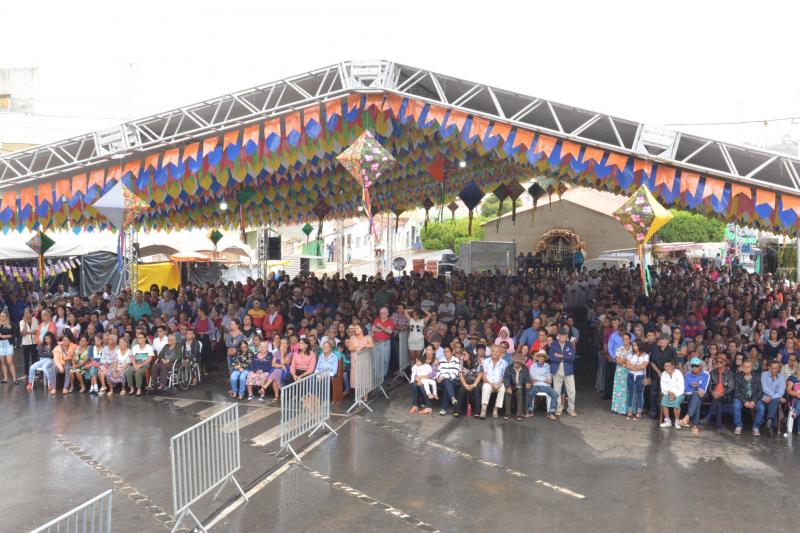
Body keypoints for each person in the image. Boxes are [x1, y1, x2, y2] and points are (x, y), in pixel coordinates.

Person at [549, 327, 577, 416]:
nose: (563, 336)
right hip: (557, 370)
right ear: (558, 335)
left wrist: (560, 356)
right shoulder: (553, 344)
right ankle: (558, 409)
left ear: (567, 335)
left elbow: (572, 357)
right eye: (562, 334)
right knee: (556, 391)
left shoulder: (570, 344)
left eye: (565, 334)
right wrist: (564, 357)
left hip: (568, 370)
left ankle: (571, 409)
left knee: (572, 391)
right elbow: (551, 357)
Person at [703, 355, 735, 432]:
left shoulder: (730, 373)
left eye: (721, 362)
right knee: (718, 403)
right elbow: (709, 386)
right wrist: (712, 392)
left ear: (725, 363)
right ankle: (718, 427)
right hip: (714, 396)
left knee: (718, 401)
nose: (718, 363)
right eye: (717, 361)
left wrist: (721, 393)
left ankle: (708, 418)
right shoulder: (713, 373)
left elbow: (731, 387)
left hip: (725, 396)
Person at [648, 334, 676, 418]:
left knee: (666, 393)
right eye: (660, 339)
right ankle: (653, 412)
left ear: (667, 341)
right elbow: (651, 362)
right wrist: (658, 372)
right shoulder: (655, 349)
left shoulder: (672, 350)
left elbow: (675, 362)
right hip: (655, 375)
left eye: (663, 339)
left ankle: (665, 414)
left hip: (667, 376)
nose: (661, 341)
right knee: (654, 394)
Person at [679, 357, 709, 433]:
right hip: (690, 395)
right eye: (692, 366)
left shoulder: (706, 375)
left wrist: (697, 387)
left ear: (700, 366)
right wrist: (696, 389)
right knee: (696, 398)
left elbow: (703, 390)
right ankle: (695, 425)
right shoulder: (687, 374)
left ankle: (687, 417)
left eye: (696, 366)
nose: (694, 368)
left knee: (697, 396)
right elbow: (686, 389)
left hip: (703, 395)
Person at [733, 359, 763, 436]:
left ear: (752, 367)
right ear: (742, 367)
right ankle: (738, 425)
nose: (746, 368)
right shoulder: (738, 376)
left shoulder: (757, 376)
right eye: (744, 366)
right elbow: (736, 391)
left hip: (754, 398)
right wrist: (744, 401)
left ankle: (756, 427)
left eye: (748, 367)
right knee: (736, 405)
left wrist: (753, 401)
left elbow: (760, 392)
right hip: (741, 398)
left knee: (761, 408)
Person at [527, 350, 558, 420]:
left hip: (545, 386)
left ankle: (551, 413)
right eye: (539, 356)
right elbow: (532, 376)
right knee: (529, 394)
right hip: (536, 386)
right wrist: (544, 379)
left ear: (544, 358)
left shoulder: (548, 366)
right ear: (537, 357)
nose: (540, 358)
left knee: (555, 394)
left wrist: (538, 379)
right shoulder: (533, 366)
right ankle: (530, 411)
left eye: (542, 357)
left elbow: (549, 379)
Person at [759, 360, 787, 436]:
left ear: (778, 369)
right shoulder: (763, 375)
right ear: (769, 368)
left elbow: (781, 392)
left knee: (775, 401)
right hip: (763, 397)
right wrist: (773, 396)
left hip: (773, 399)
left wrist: (771, 397)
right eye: (772, 368)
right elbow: (764, 388)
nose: (773, 370)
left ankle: (769, 421)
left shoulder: (781, 378)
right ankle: (770, 421)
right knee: (775, 400)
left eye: (776, 368)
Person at [480, 345, 508, 419]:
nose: (495, 353)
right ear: (491, 352)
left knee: (503, 388)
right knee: (486, 387)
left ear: (500, 353)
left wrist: (499, 384)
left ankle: (496, 409)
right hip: (488, 382)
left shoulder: (504, 363)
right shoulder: (485, 361)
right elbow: (484, 377)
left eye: (497, 352)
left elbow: (504, 376)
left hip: (499, 383)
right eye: (493, 351)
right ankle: (483, 410)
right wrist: (492, 384)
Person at [625, 339, 649, 420]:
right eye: (633, 345)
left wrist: (634, 367)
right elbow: (627, 365)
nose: (634, 347)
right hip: (631, 375)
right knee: (630, 393)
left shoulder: (645, 355)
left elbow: (644, 366)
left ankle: (639, 412)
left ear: (639, 346)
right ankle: (630, 411)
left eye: (635, 345)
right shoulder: (630, 355)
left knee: (639, 394)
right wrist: (636, 367)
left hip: (640, 376)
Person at [503, 352, 531, 421]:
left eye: (518, 363)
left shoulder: (525, 369)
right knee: (508, 392)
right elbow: (506, 378)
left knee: (520, 392)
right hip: (512, 385)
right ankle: (507, 413)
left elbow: (527, 378)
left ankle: (519, 414)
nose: (516, 364)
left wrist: (528, 383)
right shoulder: (509, 368)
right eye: (515, 362)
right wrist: (508, 386)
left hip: (521, 386)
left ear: (521, 363)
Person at [456, 348, 482, 418]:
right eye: (462, 354)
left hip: (475, 380)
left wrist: (474, 385)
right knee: (462, 389)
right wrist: (465, 385)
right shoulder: (461, 360)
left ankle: (477, 412)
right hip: (465, 380)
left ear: (469, 354)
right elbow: (460, 374)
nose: (463, 356)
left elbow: (480, 374)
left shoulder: (477, 361)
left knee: (476, 390)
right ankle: (457, 411)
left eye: (464, 354)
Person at [126, 331, 154, 396]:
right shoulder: (135, 347)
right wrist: (135, 365)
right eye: (138, 338)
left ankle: (139, 389)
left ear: (145, 339)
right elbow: (132, 358)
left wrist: (140, 365)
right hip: (136, 363)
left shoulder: (149, 347)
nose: (139, 339)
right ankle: (132, 388)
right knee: (128, 372)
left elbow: (149, 359)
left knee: (138, 373)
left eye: (141, 338)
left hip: (145, 364)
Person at [611, 332, 632, 415]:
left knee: (629, 390)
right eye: (623, 339)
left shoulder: (633, 349)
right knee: (619, 390)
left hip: (630, 371)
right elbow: (618, 361)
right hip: (620, 373)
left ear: (630, 340)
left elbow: (633, 360)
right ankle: (619, 409)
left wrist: (624, 360)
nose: (624, 340)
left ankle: (628, 409)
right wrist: (626, 360)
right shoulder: (619, 349)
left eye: (626, 339)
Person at [436, 346, 461, 415]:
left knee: (447, 383)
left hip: (452, 381)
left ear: (451, 352)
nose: (445, 353)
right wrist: (440, 377)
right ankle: (453, 398)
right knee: (446, 382)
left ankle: (444, 408)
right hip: (442, 381)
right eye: (444, 352)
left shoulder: (456, 360)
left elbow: (454, 374)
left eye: (447, 351)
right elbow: (438, 372)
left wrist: (444, 376)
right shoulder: (441, 360)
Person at [659, 360, 684, 429]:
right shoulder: (664, 374)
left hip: (679, 393)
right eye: (665, 366)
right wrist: (669, 392)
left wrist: (675, 394)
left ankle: (677, 421)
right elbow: (663, 386)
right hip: (668, 392)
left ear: (673, 366)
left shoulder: (678, 373)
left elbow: (681, 387)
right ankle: (667, 421)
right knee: (664, 402)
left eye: (668, 366)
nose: (666, 368)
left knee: (676, 404)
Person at [372, 307, 394, 380]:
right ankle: (377, 376)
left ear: (387, 314)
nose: (381, 314)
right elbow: (373, 329)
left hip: (385, 343)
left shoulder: (390, 321)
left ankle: (383, 376)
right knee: (376, 360)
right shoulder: (376, 319)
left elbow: (390, 332)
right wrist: (384, 329)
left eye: (383, 313)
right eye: (380, 313)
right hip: (376, 343)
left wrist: (381, 326)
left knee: (385, 359)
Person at [19, 308, 39, 376]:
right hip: (25, 343)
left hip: (34, 342)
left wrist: (27, 333)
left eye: (27, 312)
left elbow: (36, 332)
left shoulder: (35, 320)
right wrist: (25, 322)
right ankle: (26, 373)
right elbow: (22, 334)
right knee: (26, 359)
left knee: (34, 358)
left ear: (31, 313)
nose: (25, 314)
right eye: (25, 313)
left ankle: (34, 371)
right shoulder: (21, 322)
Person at [0, 311, 16, 384]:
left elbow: (14, 334)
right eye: (1, 316)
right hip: (0, 344)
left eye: (3, 316)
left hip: (8, 343)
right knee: (3, 361)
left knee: (10, 361)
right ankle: (6, 378)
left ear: (6, 317)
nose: (2, 318)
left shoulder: (11, 324)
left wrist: (5, 336)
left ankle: (14, 379)